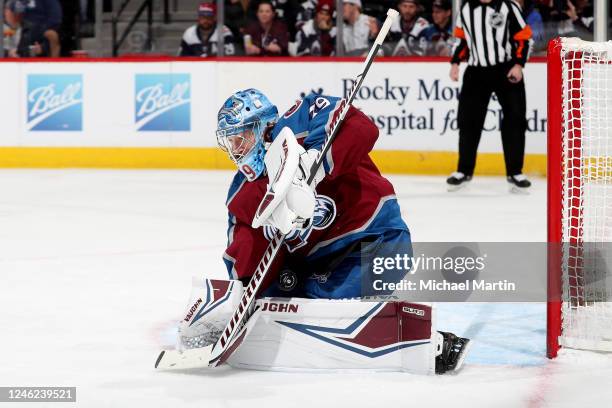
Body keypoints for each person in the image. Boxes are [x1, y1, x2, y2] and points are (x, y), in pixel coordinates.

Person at [447, 0, 533, 193]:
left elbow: (523, 37)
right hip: (476, 71)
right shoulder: (466, 8)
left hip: (506, 68)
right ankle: (464, 171)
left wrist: (519, 64)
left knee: (515, 119)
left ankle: (515, 173)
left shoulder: (508, 7)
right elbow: (462, 39)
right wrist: (455, 63)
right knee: (468, 121)